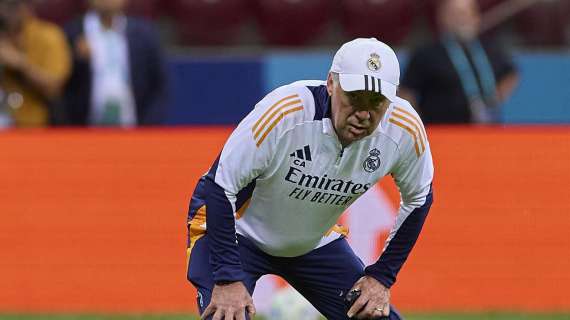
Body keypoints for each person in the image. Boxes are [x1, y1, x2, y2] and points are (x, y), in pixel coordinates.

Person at [186, 38, 434, 320]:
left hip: (311, 243)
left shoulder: (404, 129)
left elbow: (419, 198)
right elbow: (220, 186)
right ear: (331, 84)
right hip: (236, 231)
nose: (364, 113)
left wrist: (382, 276)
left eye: (376, 102)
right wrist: (228, 278)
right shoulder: (286, 112)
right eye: (355, 97)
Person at [399, 0, 519, 124]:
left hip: (486, 131)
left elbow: (510, 72)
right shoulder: (426, 54)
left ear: (476, 17)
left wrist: (494, 98)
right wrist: (416, 124)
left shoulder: (488, 48)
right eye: (456, 14)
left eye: (467, 14)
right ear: (442, 18)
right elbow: (406, 93)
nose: (462, 19)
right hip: (443, 132)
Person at [63, 0, 166, 126]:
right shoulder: (72, 33)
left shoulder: (144, 34)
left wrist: (148, 126)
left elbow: (160, 85)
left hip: (134, 129)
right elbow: (60, 85)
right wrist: (77, 58)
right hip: (84, 130)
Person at [0, 0, 71, 127]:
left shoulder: (48, 35)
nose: (7, 11)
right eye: (4, 4)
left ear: (28, 6)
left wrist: (21, 64)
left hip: (36, 126)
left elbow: (54, 88)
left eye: (14, 4)